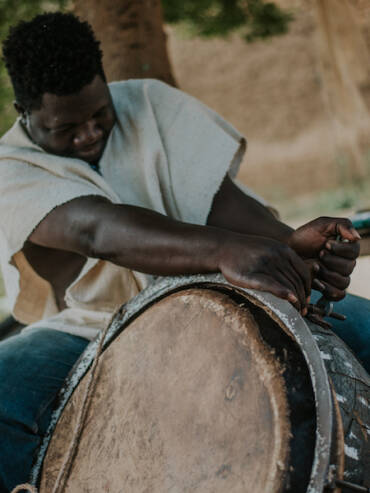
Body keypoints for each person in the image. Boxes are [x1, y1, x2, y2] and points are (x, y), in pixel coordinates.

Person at [0, 11, 368, 492]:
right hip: (91, 327)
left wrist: (294, 247)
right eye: (65, 128)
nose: (88, 134)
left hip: (220, 288)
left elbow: (222, 202)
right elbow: (98, 231)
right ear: (23, 112)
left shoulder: (152, 103)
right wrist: (227, 251)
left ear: (107, 83)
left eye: (99, 114)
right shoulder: (10, 168)